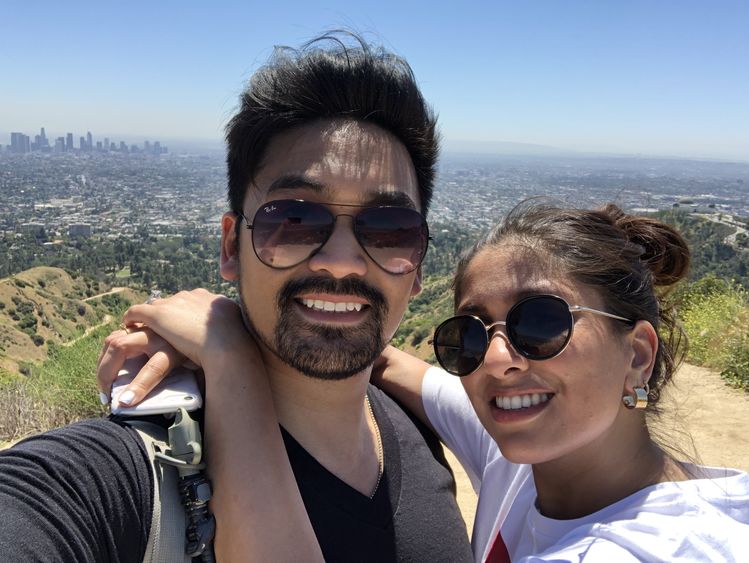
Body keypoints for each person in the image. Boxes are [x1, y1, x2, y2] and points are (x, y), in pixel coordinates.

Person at [0, 32, 473, 562]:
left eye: (389, 228)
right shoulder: (131, 476)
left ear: (416, 270)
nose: (341, 260)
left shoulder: (421, 433)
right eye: (294, 219)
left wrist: (225, 349)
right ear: (231, 245)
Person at [114, 201, 749, 561]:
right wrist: (251, 319)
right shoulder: (530, 459)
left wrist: (228, 361)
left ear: (637, 354)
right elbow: (380, 360)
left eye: (542, 324)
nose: (497, 359)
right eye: (468, 335)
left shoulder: (654, 548)